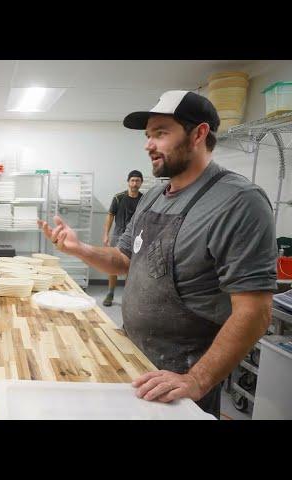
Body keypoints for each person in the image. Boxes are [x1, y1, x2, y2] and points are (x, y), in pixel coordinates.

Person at [39, 90, 277, 418]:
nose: (148, 144)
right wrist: (79, 248)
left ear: (199, 133)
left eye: (161, 133)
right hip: (133, 357)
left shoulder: (238, 202)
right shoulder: (154, 196)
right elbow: (124, 261)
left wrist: (197, 380)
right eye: (148, 135)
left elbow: (255, 311)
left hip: (181, 378)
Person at [102, 170, 144, 307]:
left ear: (141, 183)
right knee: (113, 265)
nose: (135, 183)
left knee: (131, 268)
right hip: (118, 235)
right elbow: (110, 215)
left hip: (136, 237)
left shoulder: (144, 200)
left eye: (137, 180)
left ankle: (128, 296)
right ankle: (110, 293)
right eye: (132, 180)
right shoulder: (118, 198)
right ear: (128, 182)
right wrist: (105, 235)